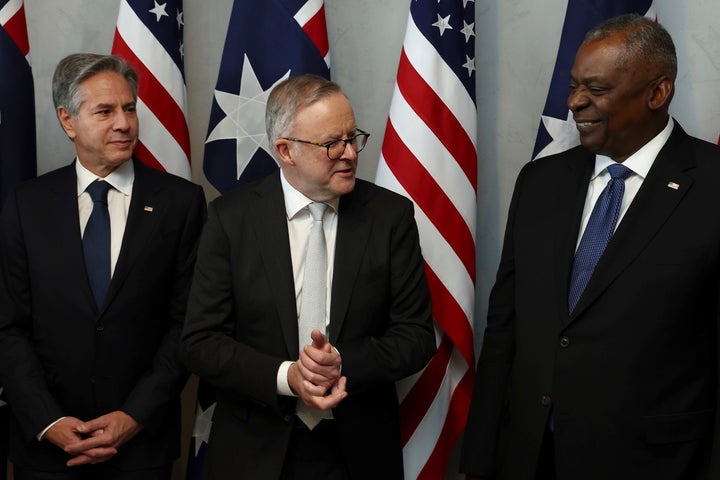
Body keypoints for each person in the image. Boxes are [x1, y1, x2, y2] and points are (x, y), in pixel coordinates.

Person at [460, 14, 720, 480]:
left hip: (658, 463)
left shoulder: (713, 185)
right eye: (575, 85)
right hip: (531, 456)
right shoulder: (541, 181)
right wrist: (481, 457)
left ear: (657, 93)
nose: (575, 102)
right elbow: (505, 329)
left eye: (596, 89)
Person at [181, 73, 436, 479]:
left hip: (357, 450)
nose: (350, 154)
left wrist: (339, 364)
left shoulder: (390, 217)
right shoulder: (232, 219)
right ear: (286, 150)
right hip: (253, 451)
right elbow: (200, 342)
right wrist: (287, 377)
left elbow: (417, 336)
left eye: (354, 138)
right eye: (332, 144)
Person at [0, 53, 206, 479]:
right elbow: (8, 326)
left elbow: (188, 324)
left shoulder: (180, 203)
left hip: (141, 448)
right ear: (68, 119)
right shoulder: (26, 205)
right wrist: (49, 421)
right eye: (105, 111)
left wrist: (133, 416)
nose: (124, 124)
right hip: (45, 449)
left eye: (129, 108)